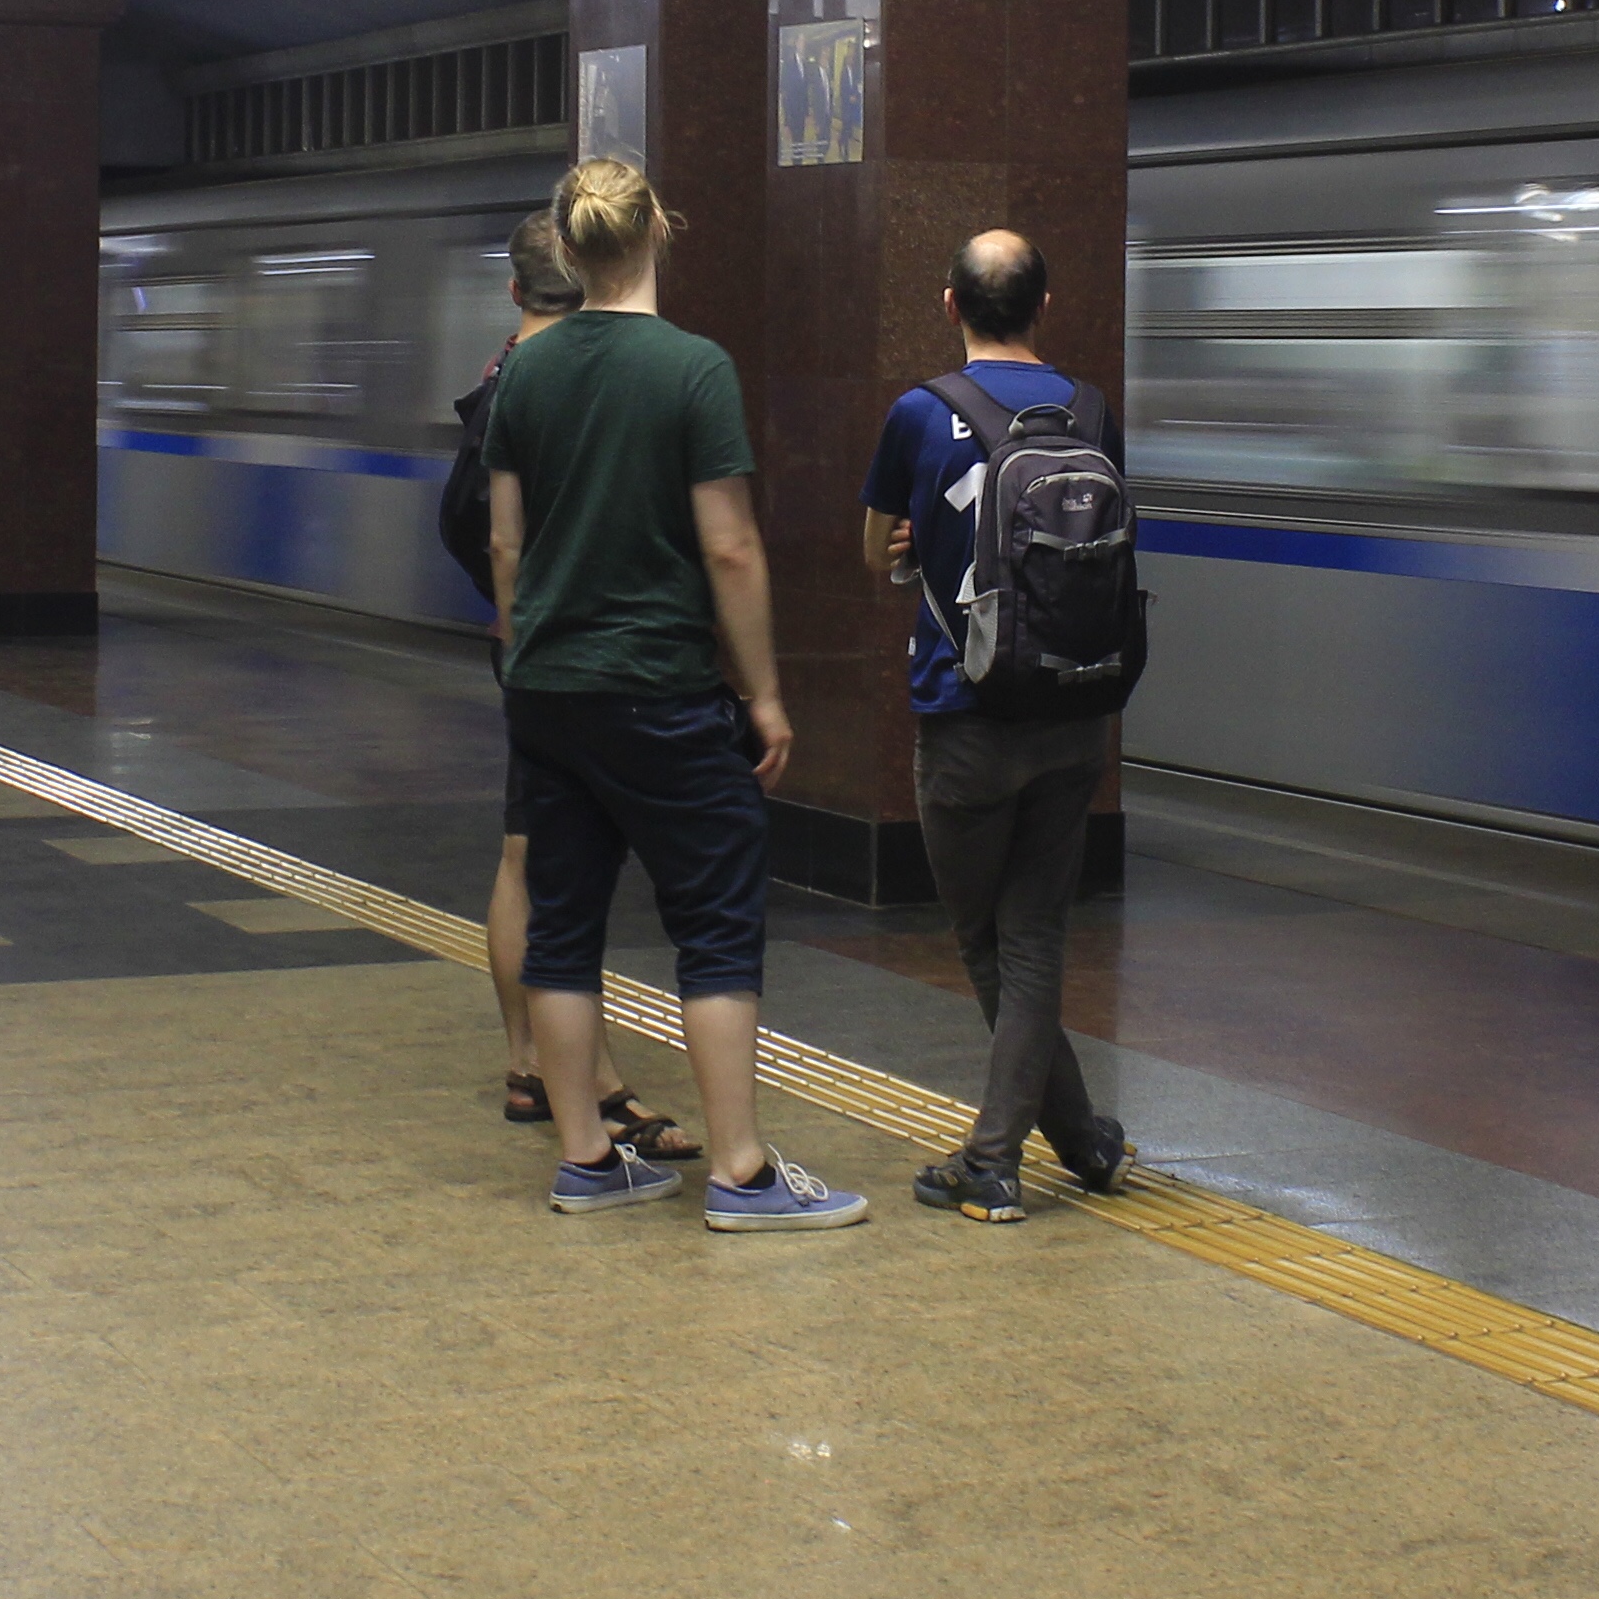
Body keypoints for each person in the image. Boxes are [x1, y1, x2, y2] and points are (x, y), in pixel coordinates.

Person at [479, 157, 866, 1231]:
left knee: (563, 925)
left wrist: (529, 650)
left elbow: (505, 543)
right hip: (660, 685)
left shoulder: (527, 371)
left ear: (564, 247)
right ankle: (739, 1172)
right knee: (716, 924)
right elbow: (731, 549)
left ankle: (587, 1158)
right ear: (658, 234)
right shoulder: (694, 369)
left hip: (549, 690)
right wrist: (769, 694)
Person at [862, 228, 1139, 1223]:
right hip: (1075, 712)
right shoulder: (1094, 412)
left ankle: (993, 1160)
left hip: (966, 716)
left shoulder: (917, 414)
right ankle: (1085, 1142)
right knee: (1035, 934)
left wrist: (909, 544)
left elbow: (878, 557)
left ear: (949, 306)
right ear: (1046, 307)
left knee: (990, 941)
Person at [444, 213, 695, 1161]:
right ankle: (581, 1080)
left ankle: (532, 1063)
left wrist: (513, 612)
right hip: (588, 656)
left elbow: (470, 528)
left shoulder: (508, 381)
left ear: (516, 293)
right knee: (562, 866)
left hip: (537, 650)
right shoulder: (585, 378)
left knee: (531, 857)